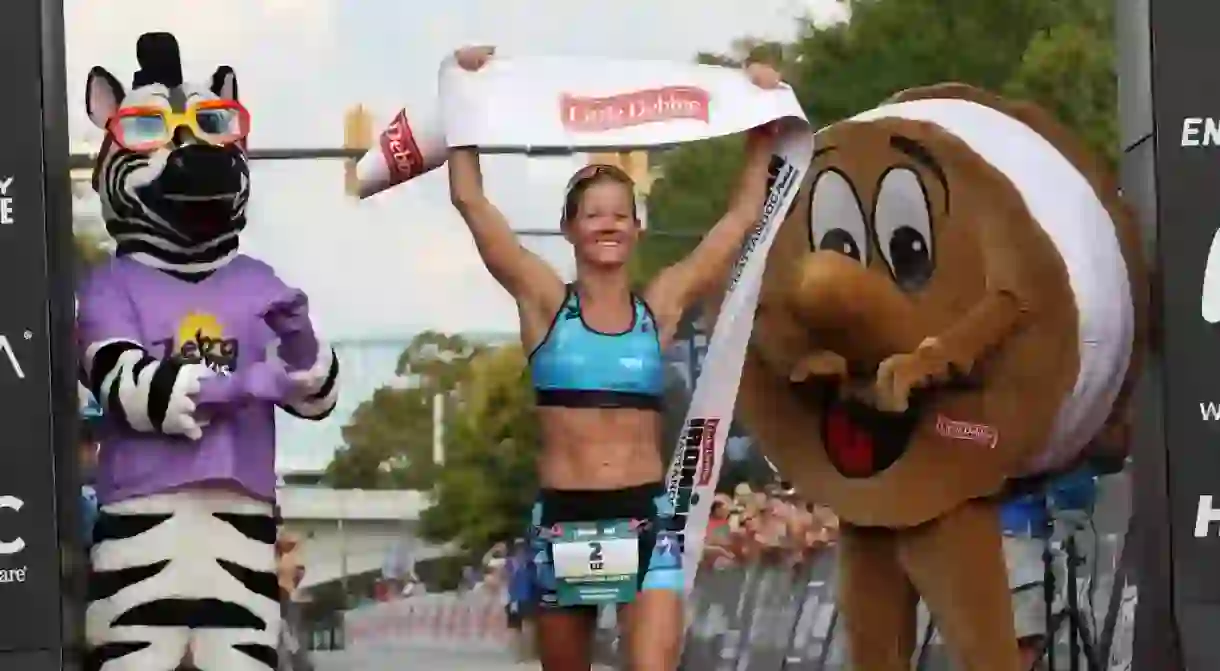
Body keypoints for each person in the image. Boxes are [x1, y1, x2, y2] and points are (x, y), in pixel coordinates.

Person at [447, 45, 780, 671]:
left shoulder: (660, 307)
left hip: (645, 520)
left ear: (637, 231)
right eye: (594, 214)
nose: (608, 224)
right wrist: (461, 92)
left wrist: (762, 117)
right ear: (569, 229)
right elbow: (472, 202)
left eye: (621, 215)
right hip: (564, 522)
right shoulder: (545, 303)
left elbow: (739, 217)